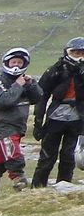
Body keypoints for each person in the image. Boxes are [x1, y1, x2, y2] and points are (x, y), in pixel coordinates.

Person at [0, 47, 42, 204]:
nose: (16, 65)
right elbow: (3, 101)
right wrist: (18, 85)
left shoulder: (23, 80)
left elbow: (37, 98)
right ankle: (23, 190)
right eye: (13, 62)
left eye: (19, 62)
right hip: (2, 127)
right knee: (13, 157)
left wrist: (30, 84)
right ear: (6, 63)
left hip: (17, 126)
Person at [31, 36, 84, 187]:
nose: (79, 57)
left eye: (82, 53)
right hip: (55, 117)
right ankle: (37, 188)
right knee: (47, 156)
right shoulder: (56, 70)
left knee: (69, 156)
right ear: (67, 53)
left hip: (78, 118)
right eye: (76, 53)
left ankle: (65, 187)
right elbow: (41, 96)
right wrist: (38, 122)